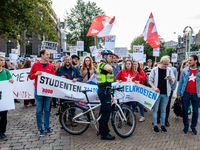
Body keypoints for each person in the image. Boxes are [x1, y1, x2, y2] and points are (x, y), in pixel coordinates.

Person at [29, 49, 55, 136]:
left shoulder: (50, 66)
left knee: (47, 109)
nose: (48, 56)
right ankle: (40, 128)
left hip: (47, 91)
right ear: (42, 55)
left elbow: (53, 77)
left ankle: (47, 127)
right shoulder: (35, 65)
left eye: (48, 54)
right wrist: (36, 74)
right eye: (47, 54)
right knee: (39, 110)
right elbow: (30, 77)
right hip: (38, 91)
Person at [149, 56, 175, 134]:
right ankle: (155, 125)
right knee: (155, 109)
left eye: (167, 64)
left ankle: (162, 125)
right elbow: (150, 80)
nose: (166, 66)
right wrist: (154, 88)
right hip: (157, 93)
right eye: (164, 64)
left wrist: (170, 79)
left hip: (166, 93)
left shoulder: (169, 70)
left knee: (163, 110)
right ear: (161, 63)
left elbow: (172, 82)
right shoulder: (154, 70)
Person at [177, 54, 200, 135]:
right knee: (185, 110)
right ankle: (186, 126)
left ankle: (193, 127)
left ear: (196, 61)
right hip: (185, 93)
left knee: (196, 111)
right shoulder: (185, 70)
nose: (188, 61)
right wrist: (178, 93)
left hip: (196, 94)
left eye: (190, 60)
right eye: (188, 60)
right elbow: (181, 82)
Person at [96, 50, 115, 140]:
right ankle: (104, 134)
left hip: (105, 89)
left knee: (103, 111)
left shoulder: (104, 64)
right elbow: (109, 69)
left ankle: (102, 130)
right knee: (106, 112)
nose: (111, 58)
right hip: (104, 90)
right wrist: (110, 69)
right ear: (105, 56)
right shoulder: (102, 64)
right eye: (110, 56)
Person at [0, 55, 14, 141]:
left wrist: (11, 80)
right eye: (1, 60)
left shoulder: (6, 71)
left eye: (3, 60)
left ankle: (2, 132)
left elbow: (11, 80)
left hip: (4, 98)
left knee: (4, 117)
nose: (2, 61)